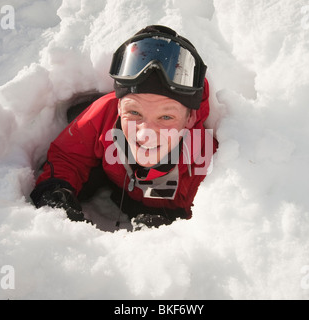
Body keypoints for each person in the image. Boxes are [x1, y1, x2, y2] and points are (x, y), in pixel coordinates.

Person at [30, 25, 218, 228]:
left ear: (190, 119)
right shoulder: (105, 115)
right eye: (135, 113)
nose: (146, 134)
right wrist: (56, 190)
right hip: (118, 187)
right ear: (118, 106)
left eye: (165, 117)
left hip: (170, 209)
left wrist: (173, 230)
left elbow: (213, 222)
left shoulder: (204, 160)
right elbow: (69, 156)